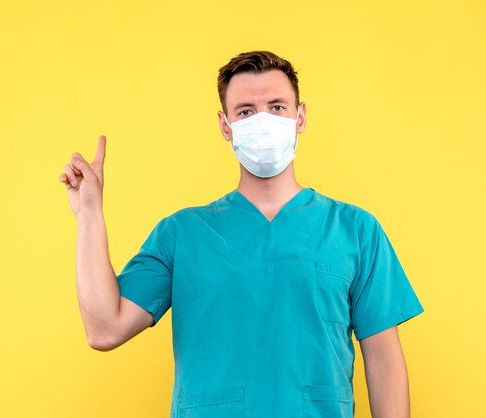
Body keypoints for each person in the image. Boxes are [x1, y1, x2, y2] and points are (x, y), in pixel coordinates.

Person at [59, 50, 425, 418]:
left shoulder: (355, 230)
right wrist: (89, 214)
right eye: (246, 111)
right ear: (225, 125)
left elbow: (383, 361)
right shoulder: (182, 234)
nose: (263, 120)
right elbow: (105, 329)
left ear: (300, 117)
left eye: (277, 107)